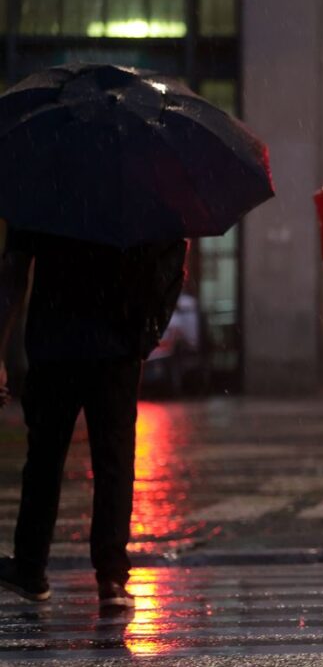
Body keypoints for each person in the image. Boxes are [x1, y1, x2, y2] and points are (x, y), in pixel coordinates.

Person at [0, 230, 188, 612]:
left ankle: (32, 566)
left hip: (56, 343)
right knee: (114, 459)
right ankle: (111, 576)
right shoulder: (133, 185)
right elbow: (167, 251)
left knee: (45, 460)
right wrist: (147, 325)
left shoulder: (40, 189)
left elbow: (15, 272)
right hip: (114, 342)